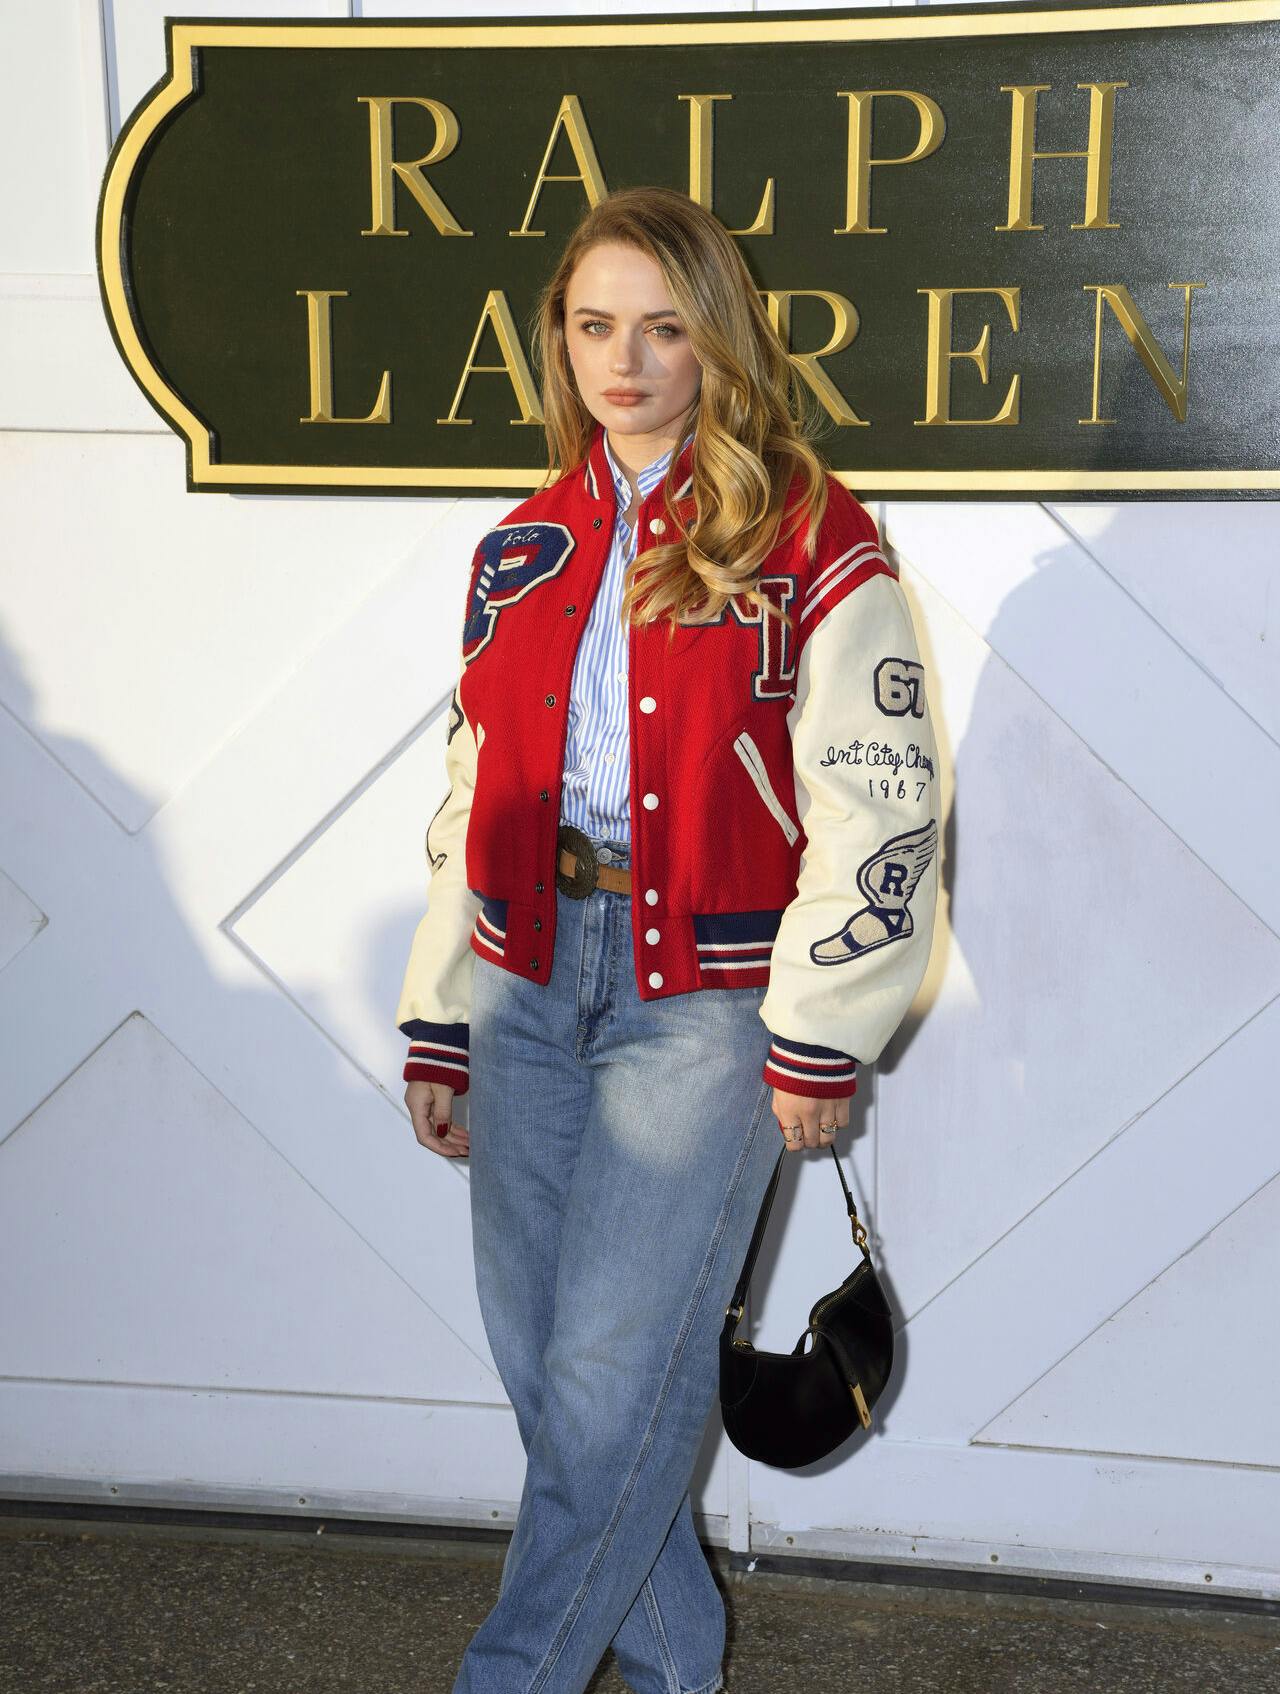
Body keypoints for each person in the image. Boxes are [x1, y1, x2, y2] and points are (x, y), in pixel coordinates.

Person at [396, 187, 940, 1694]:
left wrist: (823, 1025)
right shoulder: (521, 545)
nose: (623, 361)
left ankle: (511, 1675)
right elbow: (475, 787)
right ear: (556, 341)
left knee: (602, 1379)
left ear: (717, 336)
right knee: (553, 1381)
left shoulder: (807, 528)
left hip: (702, 1000)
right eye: (592, 326)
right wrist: (440, 1010)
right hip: (520, 979)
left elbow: (881, 800)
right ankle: (686, 1660)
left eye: (661, 326)